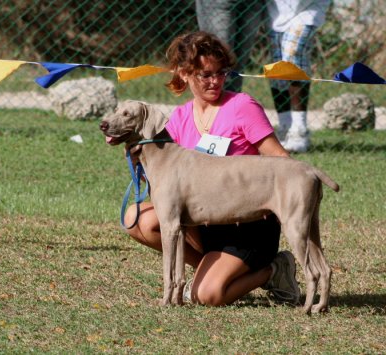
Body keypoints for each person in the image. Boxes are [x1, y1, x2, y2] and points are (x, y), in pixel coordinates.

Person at [124, 31, 300, 306]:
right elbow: (166, 182)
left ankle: (272, 270)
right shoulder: (180, 118)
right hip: (205, 223)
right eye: (205, 75)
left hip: (248, 225)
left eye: (221, 73)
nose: (215, 81)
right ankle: (206, 270)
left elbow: (283, 163)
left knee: (207, 296)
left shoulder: (241, 106)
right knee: (138, 219)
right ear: (183, 73)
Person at [267, 0, 331, 153]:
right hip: (274, 11)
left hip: (308, 9)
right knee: (277, 67)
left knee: (292, 56)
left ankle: (299, 129)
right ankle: (284, 126)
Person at [195, 0, 265, 93]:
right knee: (218, 64)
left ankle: (232, 105)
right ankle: (216, 106)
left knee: (238, 68)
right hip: (219, 3)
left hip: (253, 3)